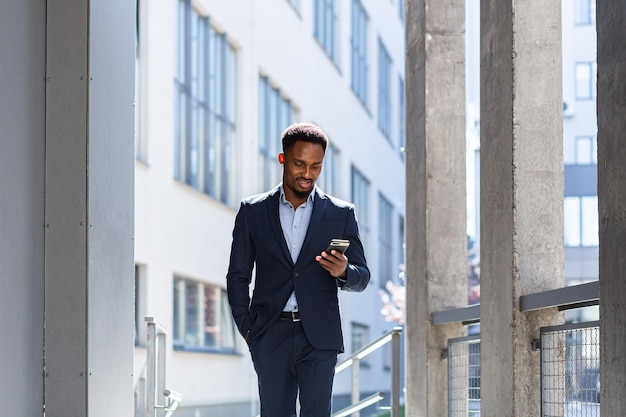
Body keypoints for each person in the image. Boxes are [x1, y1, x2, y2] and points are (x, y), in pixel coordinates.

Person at [226, 122, 370, 417]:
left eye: (315, 167)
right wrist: (247, 327)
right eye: (299, 164)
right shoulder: (252, 211)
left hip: (319, 335)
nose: (307, 174)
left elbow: (362, 276)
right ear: (283, 159)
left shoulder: (340, 213)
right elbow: (238, 275)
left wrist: (344, 271)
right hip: (269, 332)